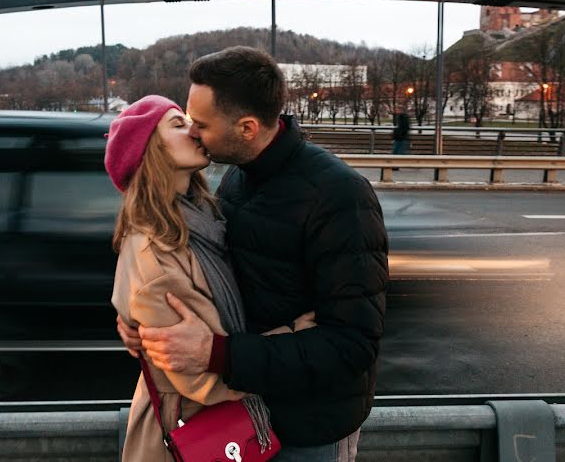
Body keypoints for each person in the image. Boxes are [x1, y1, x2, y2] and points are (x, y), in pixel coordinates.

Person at [117, 47, 389, 462]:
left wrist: (217, 354)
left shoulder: (338, 196)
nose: (192, 131)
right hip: (242, 422)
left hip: (306, 430)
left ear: (246, 127)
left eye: (201, 124)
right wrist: (142, 318)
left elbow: (352, 345)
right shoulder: (236, 181)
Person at [106, 94, 315, 461]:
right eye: (177, 124)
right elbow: (200, 377)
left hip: (225, 427)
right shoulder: (153, 253)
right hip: (195, 434)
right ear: (149, 152)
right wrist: (299, 337)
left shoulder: (203, 218)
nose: (195, 131)